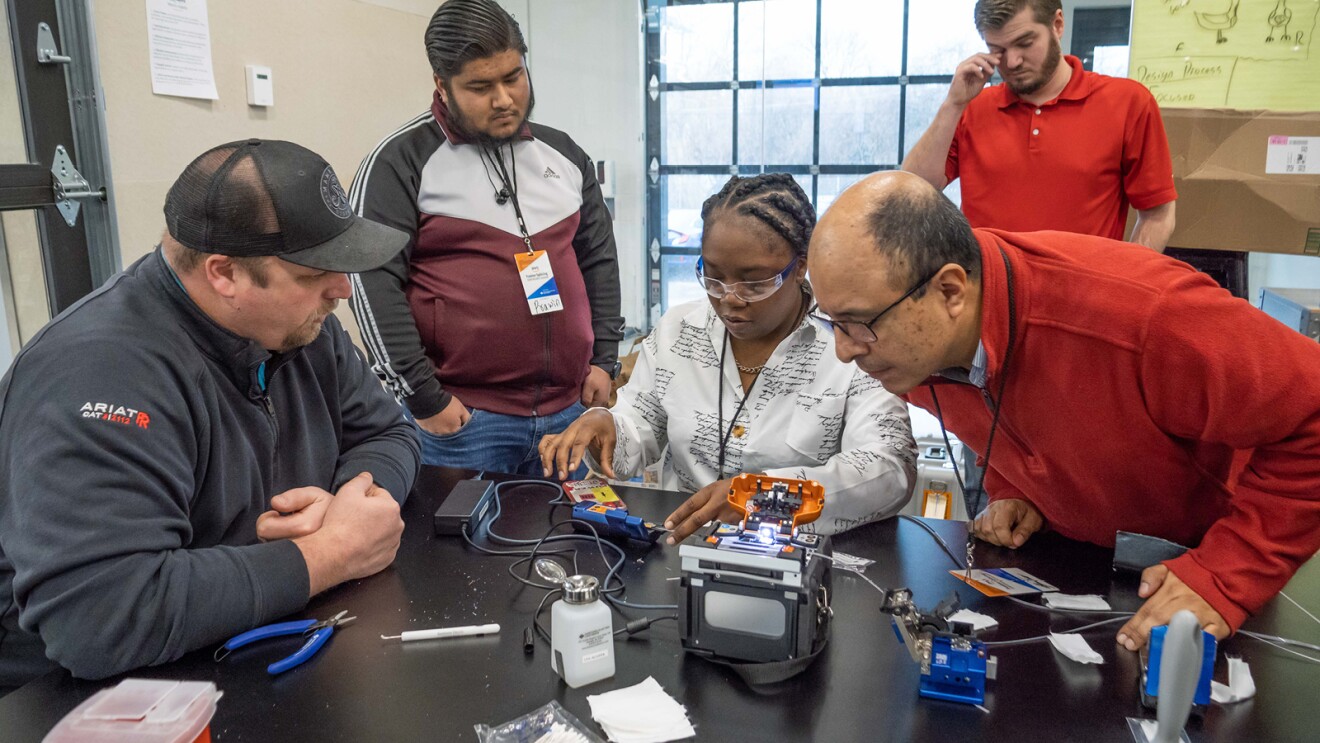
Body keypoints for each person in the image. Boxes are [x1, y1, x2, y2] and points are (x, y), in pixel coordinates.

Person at [808, 170, 1320, 651]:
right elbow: (1017, 407)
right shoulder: (914, 343)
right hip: (1084, 573)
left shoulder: (1142, 316)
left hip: (1205, 570)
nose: (845, 351)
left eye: (857, 324)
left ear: (950, 291)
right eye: (833, 322)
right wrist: (1020, 489)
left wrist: (1227, 573)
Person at [0, 139, 421, 688]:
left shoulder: (302, 330)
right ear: (224, 273)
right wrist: (331, 551)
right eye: (316, 271)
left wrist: (350, 502)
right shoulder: (99, 372)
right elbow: (101, 617)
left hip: (250, 646)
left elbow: (389, 430)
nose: (342, 289)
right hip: (83, 698)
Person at [539, 174, 916, 544]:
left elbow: (888, 468)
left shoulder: (850, 345)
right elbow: (639, 430)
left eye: (753, 284)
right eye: (714, 278)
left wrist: (759, 496)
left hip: (803, 563)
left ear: (801, 266)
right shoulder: (678, 331)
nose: (729, 299)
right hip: (683, 552)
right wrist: (606, 426)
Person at [349, 0, 623, 475]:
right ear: (442, 85)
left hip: (566, 414)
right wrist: (423, 396)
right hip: (464, 421)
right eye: (480, 86)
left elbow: (598, 260)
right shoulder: (401, 163)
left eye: (513, 77)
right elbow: (370, 286)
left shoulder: (562, 153)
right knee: (459, 549)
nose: (504, 99)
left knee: (567, 544)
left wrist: (604, 358)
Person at [902, 0, 1177, 251]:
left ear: (1057, 25)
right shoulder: (971, 108)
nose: (1012, 62)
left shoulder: (1128, 102)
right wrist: (953, 104)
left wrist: (1125, 283)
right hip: (987, 292)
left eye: (1025, 42)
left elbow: (1158, 214)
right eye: (997, 50)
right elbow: (911, 188)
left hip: (1083, 295)